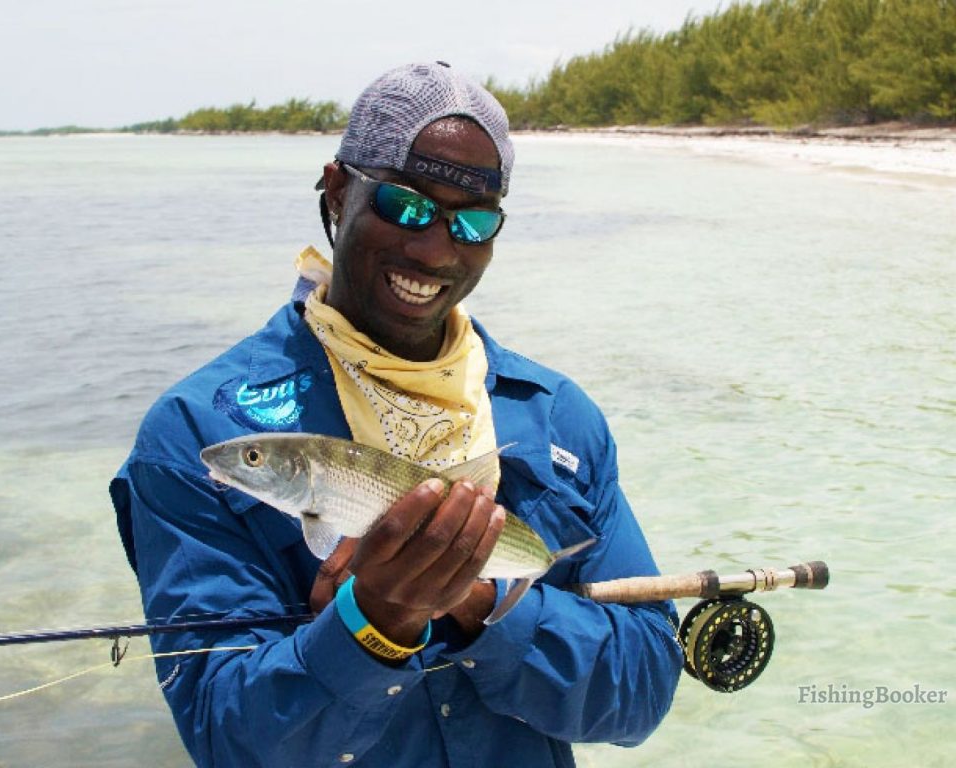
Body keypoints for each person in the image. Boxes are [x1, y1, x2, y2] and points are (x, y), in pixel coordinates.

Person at [111, 61, 682, 768]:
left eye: (472, 222)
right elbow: (225, 736)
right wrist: (374, 624)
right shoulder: (201, 433)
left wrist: (480, 603)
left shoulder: (559, 420)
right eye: (406, 206)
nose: (435, 248)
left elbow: (645, 690)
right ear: (338, 190)